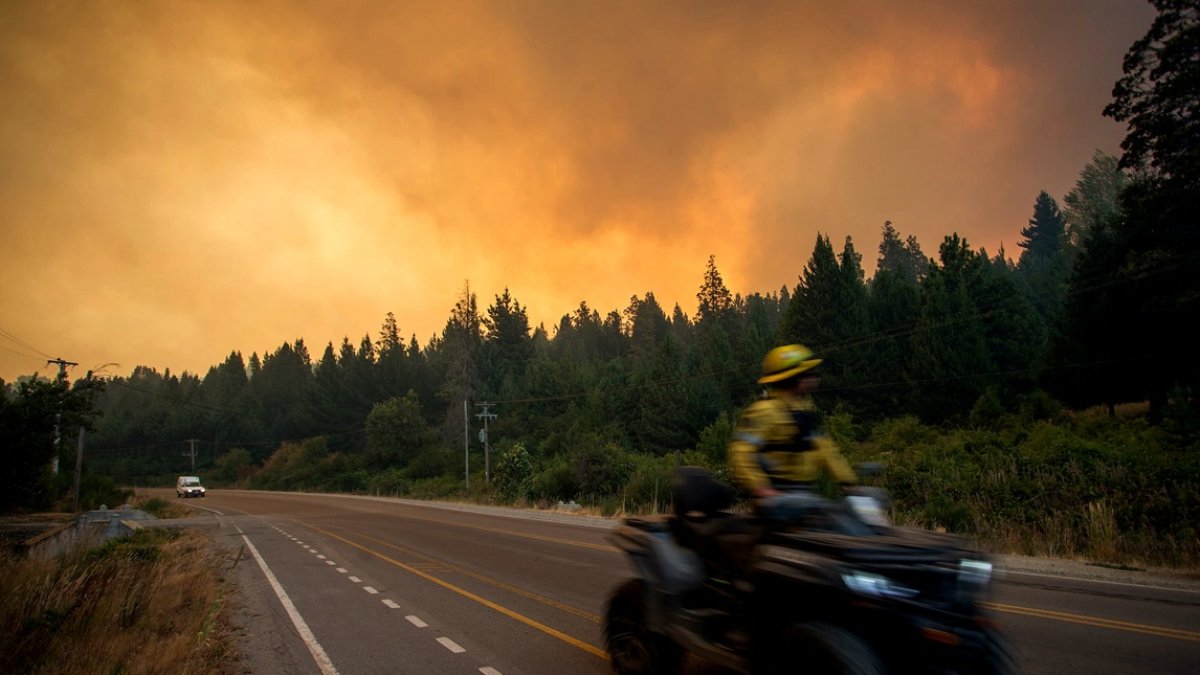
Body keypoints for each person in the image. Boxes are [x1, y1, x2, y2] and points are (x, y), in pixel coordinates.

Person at [728, 344, 857, 524]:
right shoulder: (764, 412)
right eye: (808, 374)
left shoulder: (803, 410)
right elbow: (741, 452)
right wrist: (761, 488)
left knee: (849, 520)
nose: (814, 378)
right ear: (793, 379)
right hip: (778, 497)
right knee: (836, 520)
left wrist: (847, 482)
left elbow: (826, 450)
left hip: (804, 493)